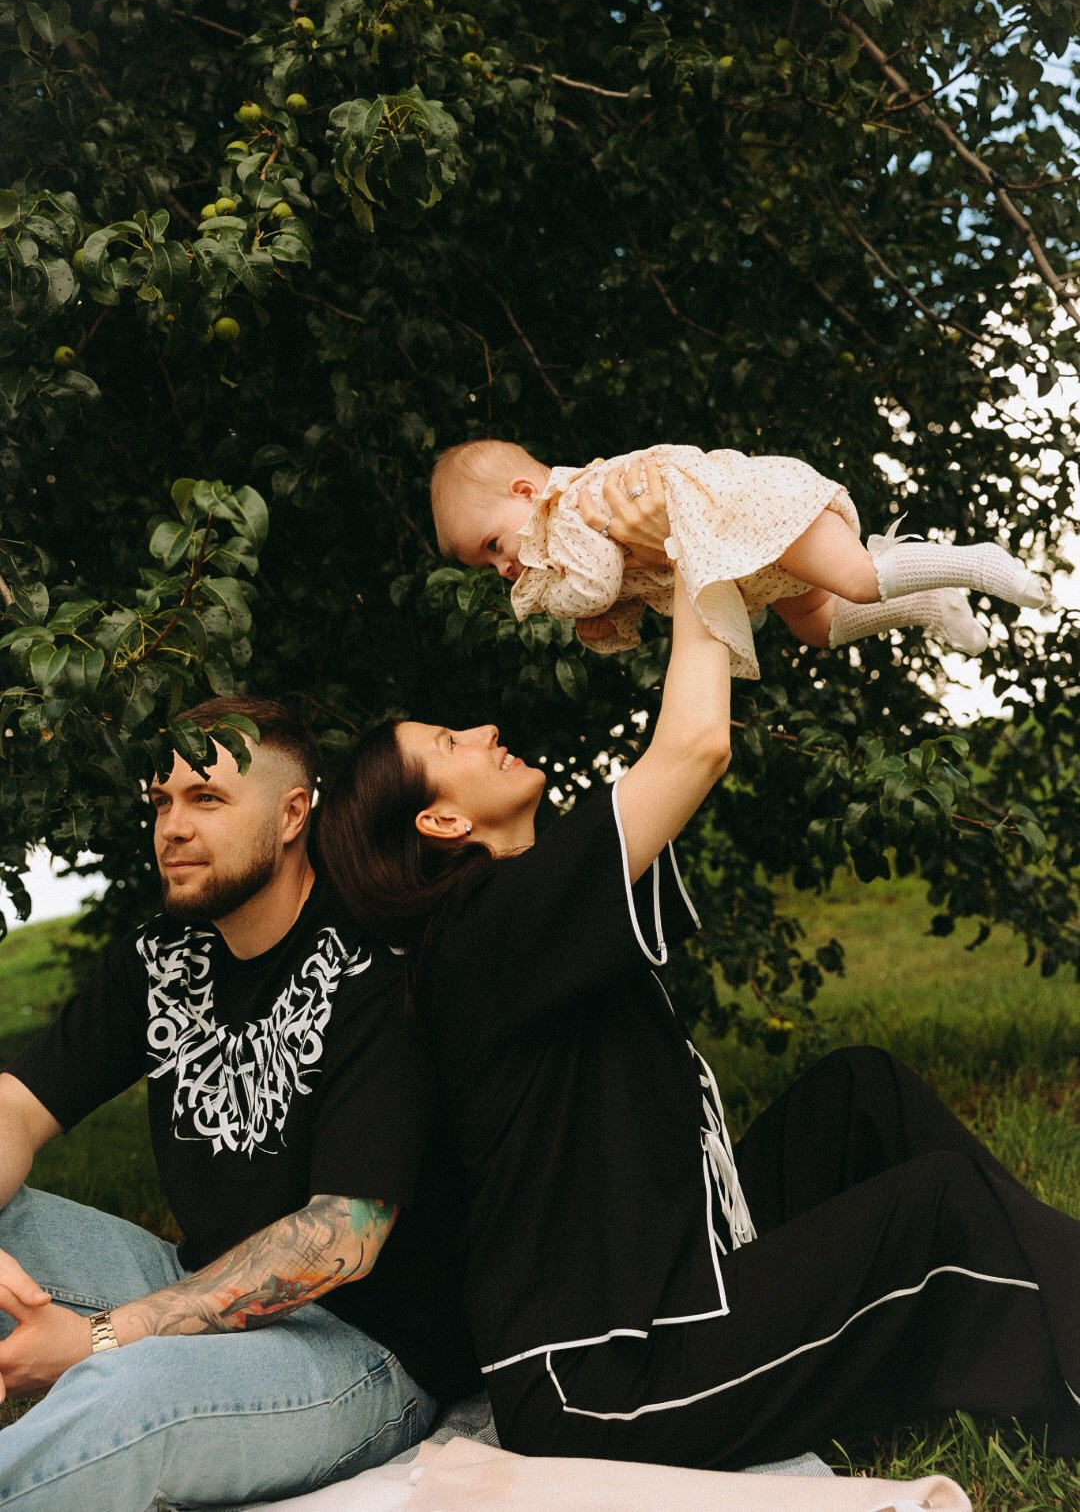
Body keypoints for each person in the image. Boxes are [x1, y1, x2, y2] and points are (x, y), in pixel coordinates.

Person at [316, 486, 1079, 1472]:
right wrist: (697, 548)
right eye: (448, 746)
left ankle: (1059, 1301)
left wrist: (707, 568)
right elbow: (694, 746)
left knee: (860, 1094)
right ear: (441, 822)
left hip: (680, 1268)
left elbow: (687, 734)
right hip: (609, 1379)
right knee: (937, 1211)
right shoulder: (482, 929)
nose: (483, 731)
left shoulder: (522, 913)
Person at [0, 697, 476, 1511]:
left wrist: (100, 1339)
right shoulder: (159, 957)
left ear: (293, 815)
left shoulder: (374, 966)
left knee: (127, 1392)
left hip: (361, 1350)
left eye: (207, 799)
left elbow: (343, 1239)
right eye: (162, 802)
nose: (172, 828)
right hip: (196, 1286)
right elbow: (15, 1107)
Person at [429, 437, 1047, 677]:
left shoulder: (567, 510)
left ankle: (977, 562)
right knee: (816, 626)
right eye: (488, 568)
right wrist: (608, 626)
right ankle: (930, 602)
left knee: (859, 579)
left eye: (494, 546)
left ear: (525, 493)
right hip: (747, 560)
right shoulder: (565, 537)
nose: (504, 568)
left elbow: (597, 582)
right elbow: (632, 585)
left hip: (750, 514)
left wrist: (565, 606)